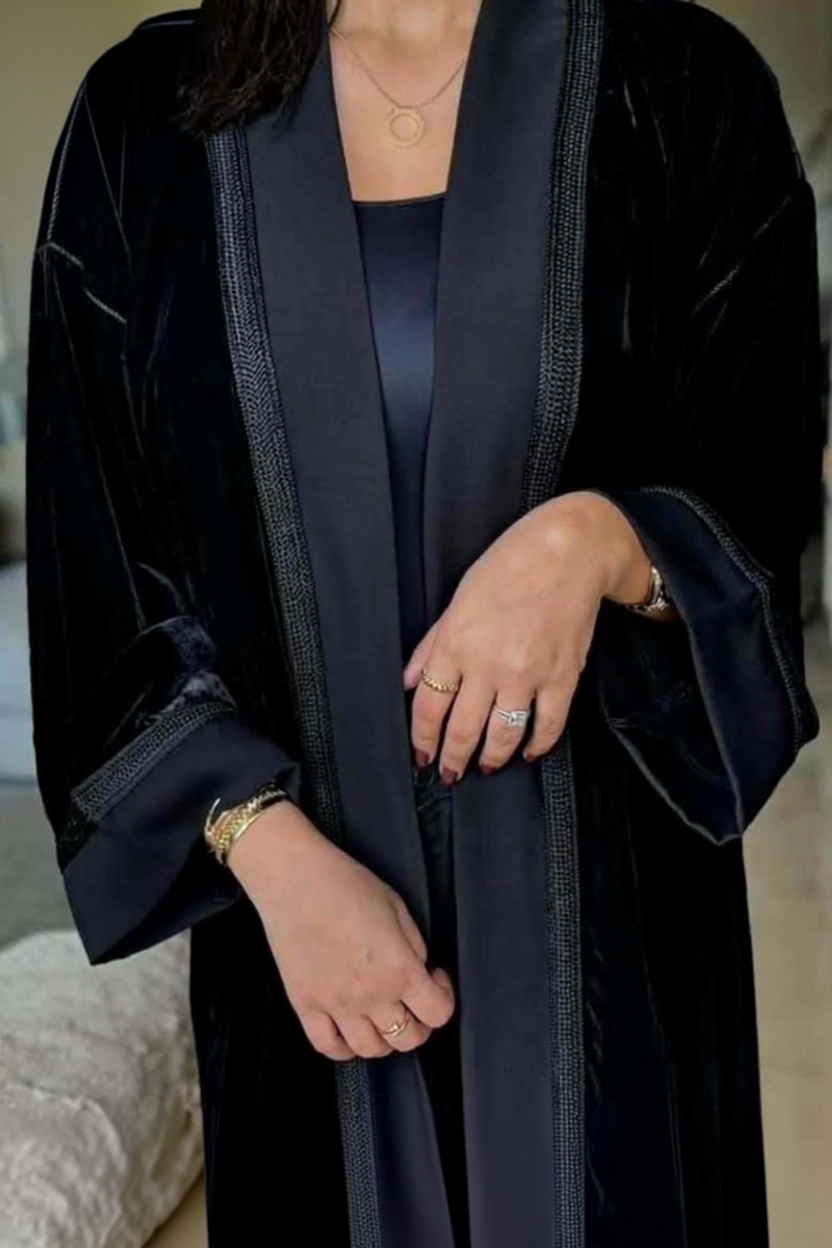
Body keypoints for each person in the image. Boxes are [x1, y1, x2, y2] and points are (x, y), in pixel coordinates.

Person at [25, 0, 822, 1244]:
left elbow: (761, 476)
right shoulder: (145, 117)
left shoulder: (683, 86)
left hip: (615, 945)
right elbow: (98, 564)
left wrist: (597, 543)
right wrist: (262, 845)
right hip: (298, 939)